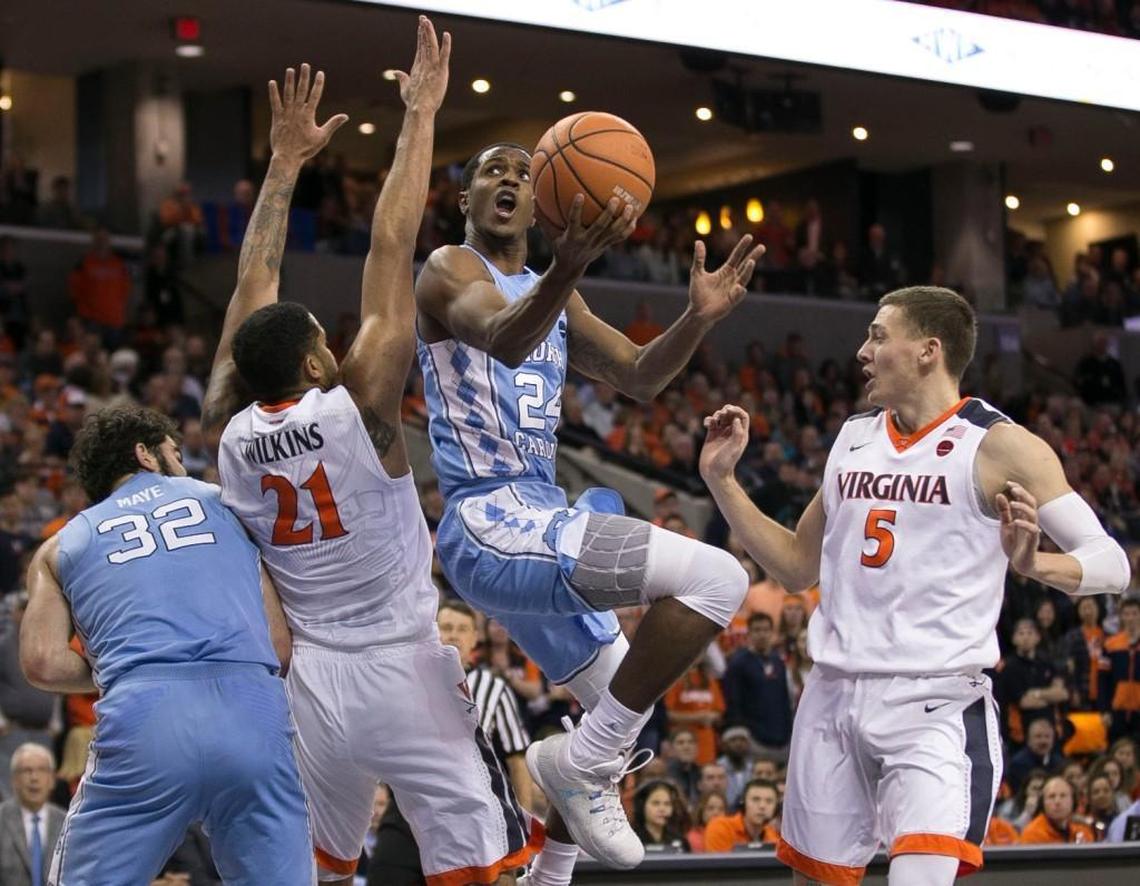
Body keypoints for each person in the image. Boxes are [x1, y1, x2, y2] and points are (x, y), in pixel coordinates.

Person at [203, 27, 536, 886]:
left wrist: (282, 170)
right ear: (319, 361)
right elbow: (392, 248)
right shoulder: (361, 414)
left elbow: (253, 287)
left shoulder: (226, 434)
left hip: (314, 681)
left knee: (322, 866)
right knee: (478, 865)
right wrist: (419, 114)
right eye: (324, 338)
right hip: (401, 666)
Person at [414, 132, 762, 874]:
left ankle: (552, 867)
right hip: (486, 519)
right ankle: (574, 764)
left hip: (539, 513)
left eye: (521, 171)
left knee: (621, 716)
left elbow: (639, 377)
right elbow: (504, 339)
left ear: (540, 202)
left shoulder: (557, 291)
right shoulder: (449, 269)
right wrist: (567, 266)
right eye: (490, 171)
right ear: (466, 198)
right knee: (719, 579)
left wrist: (697, 318)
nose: (508, 178)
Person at [699, 285, 1130, 884]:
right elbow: (798, 567)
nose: (861, 351)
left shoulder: (999, 445)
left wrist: (1034, 566)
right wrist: (723, 482)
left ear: (928, 351)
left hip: (934, 704)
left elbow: (1112, 564)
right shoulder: (854, 437)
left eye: (878, 336)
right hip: (832, 696)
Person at [19, 406, 311, 883]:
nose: (183, 463)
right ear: (145, 454)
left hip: (145, 713)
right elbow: (278, 645)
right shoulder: (229, 504)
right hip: (251, 708)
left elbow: (42, 665)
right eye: (176, 453)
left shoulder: (60, 545)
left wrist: (121, 667)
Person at [722, 612, 792, 761]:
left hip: (782, 736)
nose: (762, 634)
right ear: (749, 633)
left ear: (772, 633)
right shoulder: (738, 663)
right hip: (753, 738)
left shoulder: (778, 662)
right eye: (757, 630)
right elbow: (733, 701)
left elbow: (785, 698)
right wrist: (742, 733)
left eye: (766, 630)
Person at [0, 744, 66, 886]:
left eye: (41, 770)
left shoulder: (67, 823)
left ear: (52, 780)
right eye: (26, 770)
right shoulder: (1, 818)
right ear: (14, 780)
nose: (34, 778)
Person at [703, 779, 780, 851]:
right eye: (755, 799)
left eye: (769, 801)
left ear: (776, 807)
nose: (762, 806)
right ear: (743, 803)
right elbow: (719, 865)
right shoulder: (720, 827)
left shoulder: (774, 837)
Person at [1019, 776, 1095, 844]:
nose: (1057, 801)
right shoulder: (1032, 834)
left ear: (1073, 801)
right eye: (1051, 796)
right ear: (1042, 803)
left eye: (1063, 796)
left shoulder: (1083, 832)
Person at [631, 780, 690, 853]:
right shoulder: (631, 839)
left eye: (667, 804)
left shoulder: (680, 840)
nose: (662, 809)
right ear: (641, 806)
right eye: (655, 803)